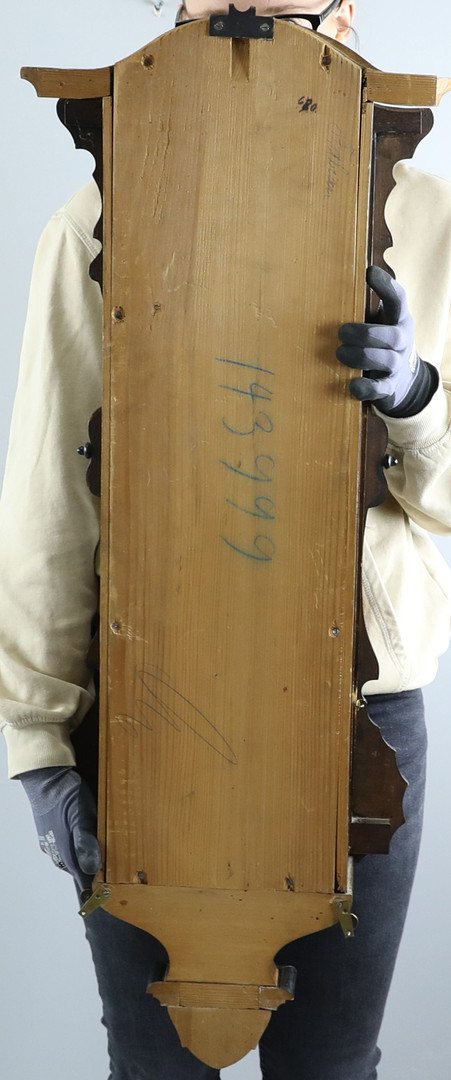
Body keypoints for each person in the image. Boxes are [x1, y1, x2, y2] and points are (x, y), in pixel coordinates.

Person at [1, 2, 451, 1077]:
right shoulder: (96, 218)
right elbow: (50, 498)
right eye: (207, 8)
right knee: (154, 1062)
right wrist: (38, 744)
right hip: (147, 704)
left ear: (342, 18)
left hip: (358, 709)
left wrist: (416, 402)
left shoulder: (429, 222)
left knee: (330, 1063)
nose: (242, 32)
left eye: (281, 10)